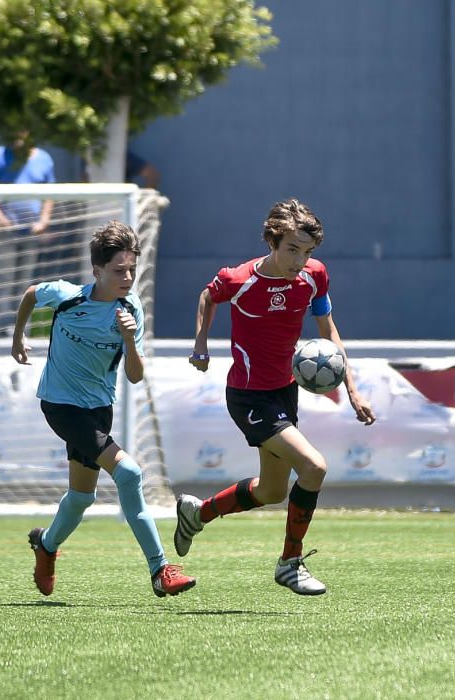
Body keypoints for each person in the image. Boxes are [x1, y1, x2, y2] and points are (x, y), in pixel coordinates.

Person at [174, 198, 376, 596]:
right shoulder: (239, 279)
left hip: (285, 392)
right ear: (272, 242)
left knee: (271, 491)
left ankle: (197, 513)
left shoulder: (315, 276)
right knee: (314, 467)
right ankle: (289, 563)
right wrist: (200, 344)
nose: (300, 260)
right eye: (292, 250)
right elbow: (207, 297)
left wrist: (352, 389)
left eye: (307, 252)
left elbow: (328, 331)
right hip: (249, 396)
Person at [11, 221, 196, 598]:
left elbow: (135, 375)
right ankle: (160, 570)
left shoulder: (131, 309)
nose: (127, 277)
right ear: (96, 270)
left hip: (99, 408)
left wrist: (129, 338)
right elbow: (31, 294)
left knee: (82, 497)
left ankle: (45, 545)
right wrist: (18, 336)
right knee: (128, 472)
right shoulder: (67, 296)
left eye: (132, 270)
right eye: (118, 271)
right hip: (61, 406)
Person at [0, 131, 55, 329]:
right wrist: (0, 219)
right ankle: (1, 330)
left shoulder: (44, 158)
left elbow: (50, 194)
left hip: (31, 232)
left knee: (25, 282)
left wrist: (44, 220)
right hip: (5, 232)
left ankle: (22, 329)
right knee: (4, 280)